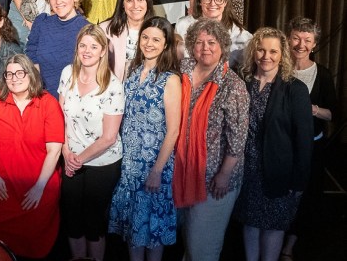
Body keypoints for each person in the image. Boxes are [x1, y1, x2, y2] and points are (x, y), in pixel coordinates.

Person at [234, 29, 312, 261]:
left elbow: (304, 140)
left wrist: (299, 181)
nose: (266, 56)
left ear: (282, 54)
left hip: (279, 172)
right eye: (261, 49)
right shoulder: (243, 84)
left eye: (273, 51)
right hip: (246, 171)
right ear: (253, 51)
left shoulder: (294, 89)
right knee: (250, 222)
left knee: (273, 226)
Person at [174, 18, 249, 261]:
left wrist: (224, 175)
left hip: (214, 180)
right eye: (199, 42)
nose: (205, 47)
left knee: (203, 249)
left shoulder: (233, 85)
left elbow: (237, 139)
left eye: (212, 42)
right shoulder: (182, 70)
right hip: (183, 172)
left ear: (223, 45)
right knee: (189, 241)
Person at [108, 17, 182, 261]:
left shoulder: (170, 79)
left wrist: (157, 171)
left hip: (153, 165)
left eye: (156, 40)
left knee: (152, 232)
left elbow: (173, 130)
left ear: (165, 44)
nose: (149, 43)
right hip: (130, 164)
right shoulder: (133, 70)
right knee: (133, 231)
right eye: (146, 37)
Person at [0, 53, 64, 260]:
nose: (14, 78)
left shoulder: (48, 103)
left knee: (35, 237)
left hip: (39, 183)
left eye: (20, 72)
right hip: (2, 183)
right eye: (9, 74)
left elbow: (54, 150)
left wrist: (39, 187)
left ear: (31, 74)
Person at [59, 24, 125, 261]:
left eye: (93, 46)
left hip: (102, 162)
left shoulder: (113, 86)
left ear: (103, 50)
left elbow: (108, 137)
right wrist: (66, 153)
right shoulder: (68, 74)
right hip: (70, 158)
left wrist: (78, 160)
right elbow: (60, 119)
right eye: (83, 45)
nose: (87, 50)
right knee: (72, 219)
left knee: (93, 221)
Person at [282, 17, 336, 260]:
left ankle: (289, 246)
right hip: (281, 148)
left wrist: (310, 109)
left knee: (305, 196)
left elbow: (332, 113)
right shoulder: (277, 68)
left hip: (312, 147)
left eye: (307, 40)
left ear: (314, 44)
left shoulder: (322, 74)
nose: (300, 44)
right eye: (296, 38)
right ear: (288, 39)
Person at [26, 0, 90, 99]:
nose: (58, 1)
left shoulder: (86, 29)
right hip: (43, 98)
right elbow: (32, 56)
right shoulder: (42, 23)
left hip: (74, 100)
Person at [175, 0, 252, 67]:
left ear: (225, 2)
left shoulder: (240, 35)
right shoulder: (183, 25)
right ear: (200, 1)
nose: (212, 4)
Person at [98, 0, 156, 80]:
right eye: (129, 0)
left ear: (148, 2)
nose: (135, 5)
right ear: (122, 4)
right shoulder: (105, 30)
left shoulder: (157, 31)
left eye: (140, 0)